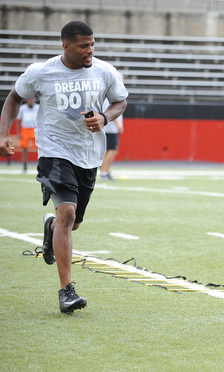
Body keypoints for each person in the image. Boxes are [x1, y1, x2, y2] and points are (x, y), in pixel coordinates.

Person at [0, 21, 128, 314]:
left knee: (73, 222)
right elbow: (15, 97)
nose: (91, 50)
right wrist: (3, 133)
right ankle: (66, 290)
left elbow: (120, 101)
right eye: (84, 45)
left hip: (89, 154)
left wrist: (105, 118)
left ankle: (52, 227)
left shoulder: (105, 71)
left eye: (93, 44)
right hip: (54, 151)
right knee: (67, 212)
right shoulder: (41, 72)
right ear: (66, 46)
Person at [100, 86, 124, 181]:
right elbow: (110, 111)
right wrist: (117, 125)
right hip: (110, 128)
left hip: (109, 127)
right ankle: (104, 173)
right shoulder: (110, 95)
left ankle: (105, 171)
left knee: (110, 150)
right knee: (112, 150)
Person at [16, 97, 40, 172]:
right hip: (25, 129)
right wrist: (18, 132)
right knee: (25, 149)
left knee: (39, 148)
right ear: (27, 100)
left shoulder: (37, 107)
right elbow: (18, 120)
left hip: (35, 129)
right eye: (30, 100)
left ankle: (40, 166)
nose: (31, 101)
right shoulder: (22, 108)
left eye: (33, 100)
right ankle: (25, 166)